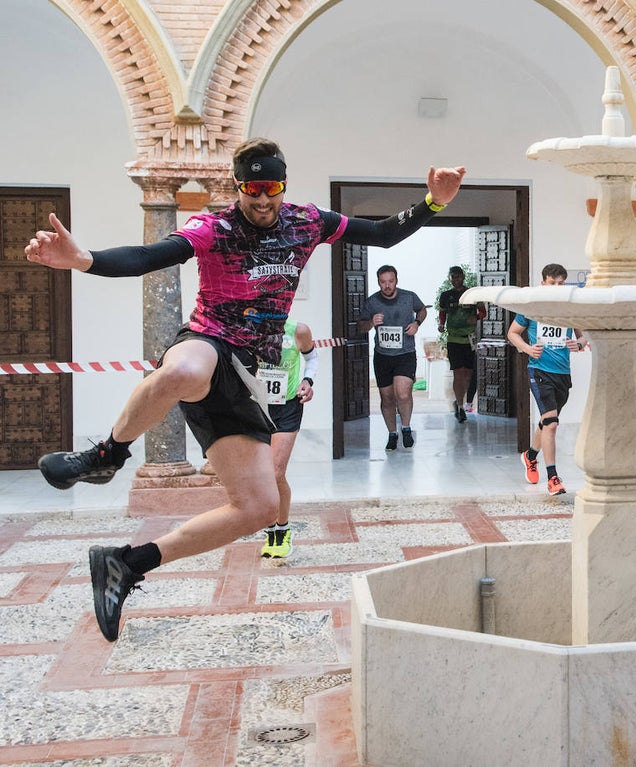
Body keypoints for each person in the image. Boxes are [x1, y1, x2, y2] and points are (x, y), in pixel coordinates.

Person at [25, 136, 464, 641]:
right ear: (238, 188)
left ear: (282, 185)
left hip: (247, 371)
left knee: (256, 509)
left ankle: (127, 564)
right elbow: (150, 256)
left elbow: (384, 234)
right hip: (208, 340)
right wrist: (85, 261)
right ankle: (108, 453)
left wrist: (435, 202)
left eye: (270, 187)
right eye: (251, 189)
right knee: (184, 372)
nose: (261, 199)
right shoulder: (214, 227)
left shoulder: (309, 221)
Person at [506, 263, 586, 496]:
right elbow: (512, 333)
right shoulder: (532, 308)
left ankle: (530, 456)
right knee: (551, 423)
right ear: (543, 283)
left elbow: (583, 337)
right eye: (553, 283)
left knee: (547, 421)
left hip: (562, 374)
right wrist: (527, 349)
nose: (557, 287)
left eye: (561, 284)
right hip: (539, 371)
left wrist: (577, 345)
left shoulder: (570, 310)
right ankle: (553, 478)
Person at [257, 317, 317, 558]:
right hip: (256, 408)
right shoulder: (247, 329)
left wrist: (307, 380)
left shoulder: (298, 330)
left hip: (287, 408)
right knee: (259, 476)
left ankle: (282, 529)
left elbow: (311, 357)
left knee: (275, 472)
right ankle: (270, 527)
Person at [357, 265, 426, 449]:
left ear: (397, 280)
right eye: (383, 282)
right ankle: (392, 433)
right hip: (383, 356)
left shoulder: (409, 297)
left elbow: (422, 310)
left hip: (405, 354)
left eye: (390, 281)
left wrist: (417, 324)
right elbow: (361, 326)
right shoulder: (372, 302)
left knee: (402, 393)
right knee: (386, 397)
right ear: (378, 282)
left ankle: (406, 427)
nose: (387, 285)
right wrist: (371, 322)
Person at [437, 265, 486, 422]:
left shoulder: (472, 294)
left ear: (463, 277)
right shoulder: (446, 295)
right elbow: (442, 312)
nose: (455, 280)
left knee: (468, 374)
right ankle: (459, 405)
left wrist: (477, 318)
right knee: (458, 372)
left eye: (458, 277)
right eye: (453, 277)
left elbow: (483, 311)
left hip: (469, 339)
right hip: (453, 339)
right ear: (450, 278)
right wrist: (441, 324)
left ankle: (461, 399)